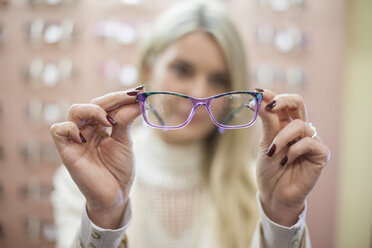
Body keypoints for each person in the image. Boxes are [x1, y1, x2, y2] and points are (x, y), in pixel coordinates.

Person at [50, 1, 330, 248]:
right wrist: (104, 216)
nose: (199, 93)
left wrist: (281, 215)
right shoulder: (88, 177)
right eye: (183, 69)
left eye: (219, 79)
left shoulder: (262, 183)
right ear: (149, 68)